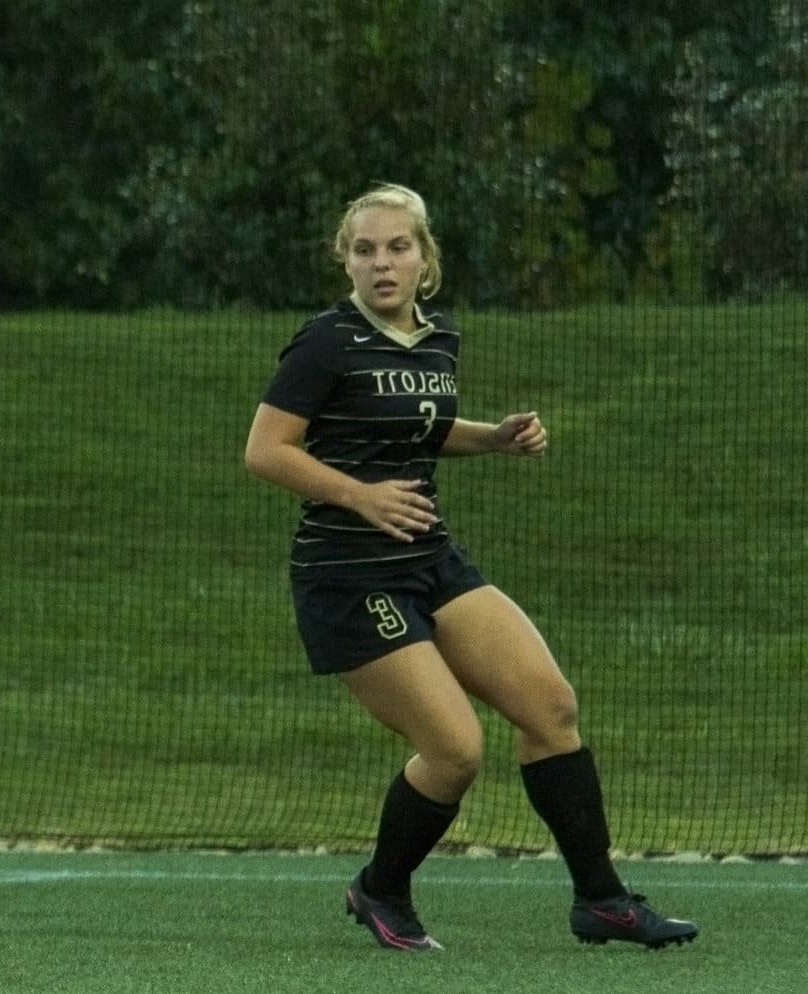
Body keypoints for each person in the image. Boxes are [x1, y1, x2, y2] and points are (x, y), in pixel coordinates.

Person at [243, 184, 696, 952]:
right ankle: (381, 887)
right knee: (455, 749)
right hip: (351, 577)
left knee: (549, 706)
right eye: (364, 249)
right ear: (345, 261)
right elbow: (265, 451)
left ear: (426, 259)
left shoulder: (438, 336)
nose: (381, 263)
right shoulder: (325, 341)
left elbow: (423, 423)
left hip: (430, 558)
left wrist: (493, 438)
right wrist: (361, 497)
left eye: (397, 247)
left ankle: (602, 900)